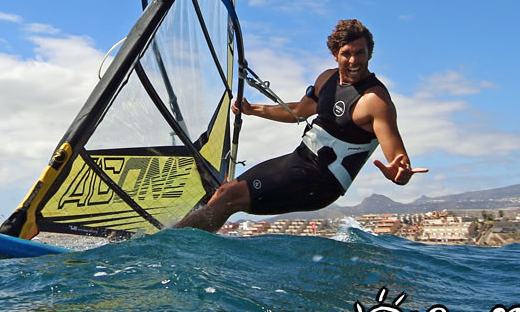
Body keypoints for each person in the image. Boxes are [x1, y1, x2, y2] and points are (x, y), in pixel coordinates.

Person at [175, 19, 426, 232]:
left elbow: (398, 160)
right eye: (346, 53)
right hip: (299, 160)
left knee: (231, 198)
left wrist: (400, 176)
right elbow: (297, 111)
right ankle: (194, 249)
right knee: (224, 193)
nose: (353, 60)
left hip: (323, 180)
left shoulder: (375, 101)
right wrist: (254, 110)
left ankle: (169, 246)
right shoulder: (326, 79)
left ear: (369, 53)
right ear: (335, 54)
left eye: (360, 53)